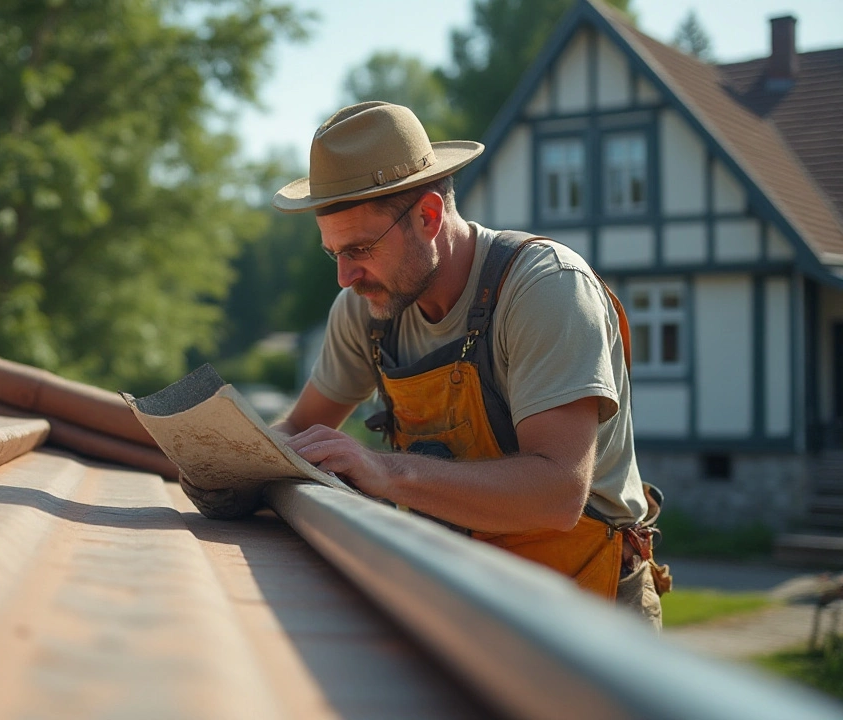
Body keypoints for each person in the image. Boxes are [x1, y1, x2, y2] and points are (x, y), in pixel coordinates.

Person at [180, 101, 667, 626]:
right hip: (462, 593)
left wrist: (385, 470)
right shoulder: (366, 308)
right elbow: (301, 426)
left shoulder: (545, 289)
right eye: (334, 253)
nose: (345, 276)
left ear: (429, 217)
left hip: (588, 609)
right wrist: (235, 466)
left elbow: (557, 495)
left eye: (360, 248)